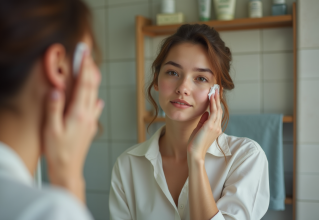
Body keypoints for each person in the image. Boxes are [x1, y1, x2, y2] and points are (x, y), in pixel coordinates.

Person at [109, 24, 270, 220]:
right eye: (173, 73)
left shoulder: (246, 158)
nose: (183, 87)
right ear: (157, 80)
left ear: (217, 92)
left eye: (201, 78)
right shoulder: (128, 165)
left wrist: (196, 159)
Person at [0, 0, 104, 219]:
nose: (95, 75)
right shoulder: (50, 211)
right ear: (58, 67)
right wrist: (69, 178)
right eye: (87, 59)